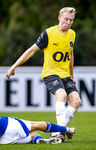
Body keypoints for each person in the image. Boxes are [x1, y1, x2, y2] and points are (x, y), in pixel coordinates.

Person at [6, 7, 81, 141]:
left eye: (71, 20)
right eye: (66, 19)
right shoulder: (48, 34)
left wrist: (71, 75)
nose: (68, 22)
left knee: (76, 101)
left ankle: (60, 129)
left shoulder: (72, 34)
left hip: (65, 75)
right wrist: (14, 66)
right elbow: (31, 51)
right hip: (50, 73)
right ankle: (59, 132)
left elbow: (70, 54)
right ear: (59, 18)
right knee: (62, 95)